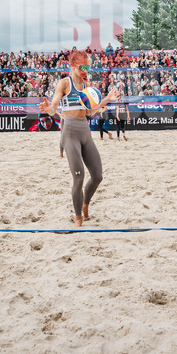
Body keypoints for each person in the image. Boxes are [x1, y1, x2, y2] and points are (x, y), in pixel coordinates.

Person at [39, 50, 122, 227]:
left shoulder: (86, 86)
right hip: (70, 132)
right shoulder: (64, 83)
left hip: (85, 131)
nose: (86, 70)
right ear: (73, 66)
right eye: (83, 67)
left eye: (88, 67)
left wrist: (106, 99)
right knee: (78, 177)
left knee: (98, 176)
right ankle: (78, 217)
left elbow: (89, 112)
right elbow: (54, 109)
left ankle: (85, 204)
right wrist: (48, 109)